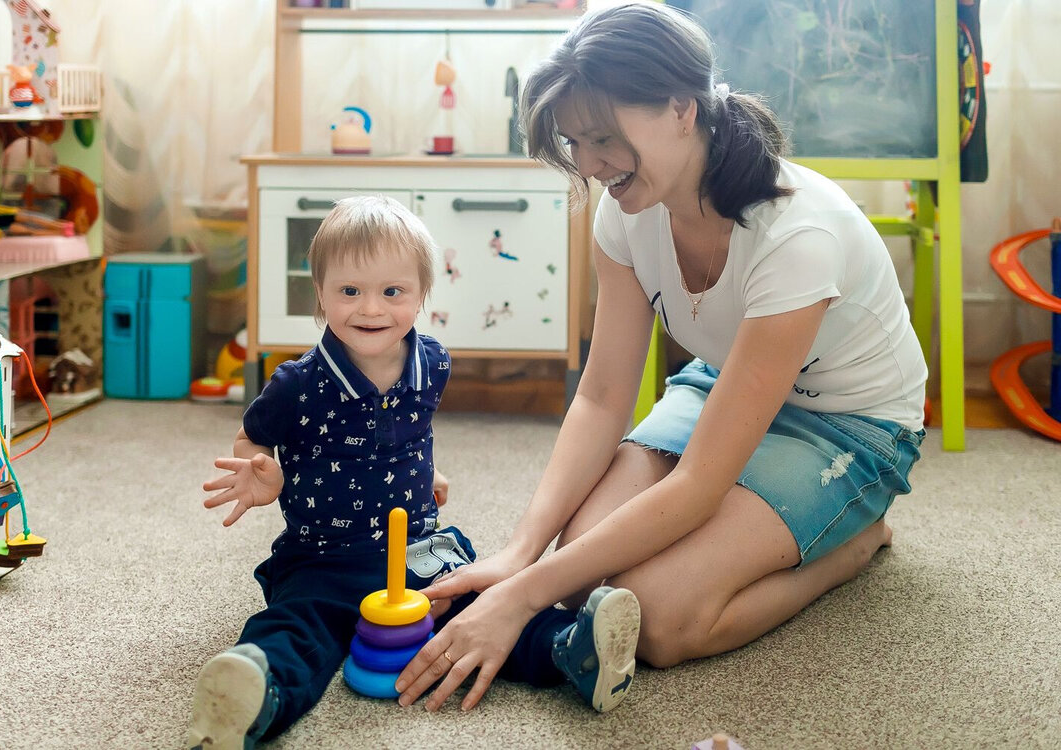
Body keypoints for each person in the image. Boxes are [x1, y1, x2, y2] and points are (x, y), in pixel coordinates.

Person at [394, 2, 928, 713]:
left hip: (851, 424)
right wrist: (524, 552)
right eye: (574, 142)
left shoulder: (798, 236)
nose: (588, 164)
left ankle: (852, 547)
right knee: (586, 575)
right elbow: (602, 395)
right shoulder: (624, 210)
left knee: (664, 619)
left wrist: (521, 597)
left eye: (604, 138)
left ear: (682, 107)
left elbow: (702, 483)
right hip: (722, 384)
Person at [186, 195, 641, 748]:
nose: (370, 309)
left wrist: (427, 473)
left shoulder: (433, 364)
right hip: (325, 555)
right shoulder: (296, 384)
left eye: (392, 292)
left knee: (480, 607)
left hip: (417, 546)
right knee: (299, 627)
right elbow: (255, 437)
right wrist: (264, 470)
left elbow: (407, 432)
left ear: (422, 294)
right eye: (349, 291)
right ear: (322, 294)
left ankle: (573, 649)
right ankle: (252, 691)